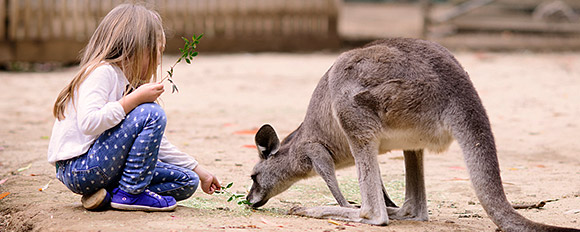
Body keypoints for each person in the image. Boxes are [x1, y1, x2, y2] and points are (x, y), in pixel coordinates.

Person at [47, 3, 221, 212]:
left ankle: (108, 195)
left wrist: (200, 171)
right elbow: (89, 123)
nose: (158, 63)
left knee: (186, 181)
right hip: (80, 169)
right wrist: (133, 100)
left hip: (104, 167)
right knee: (152, 113)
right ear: (136, 48)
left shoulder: (127, 84)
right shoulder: (103, 72)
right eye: (157, 52)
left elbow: (158, 145)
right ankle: (130, 194)